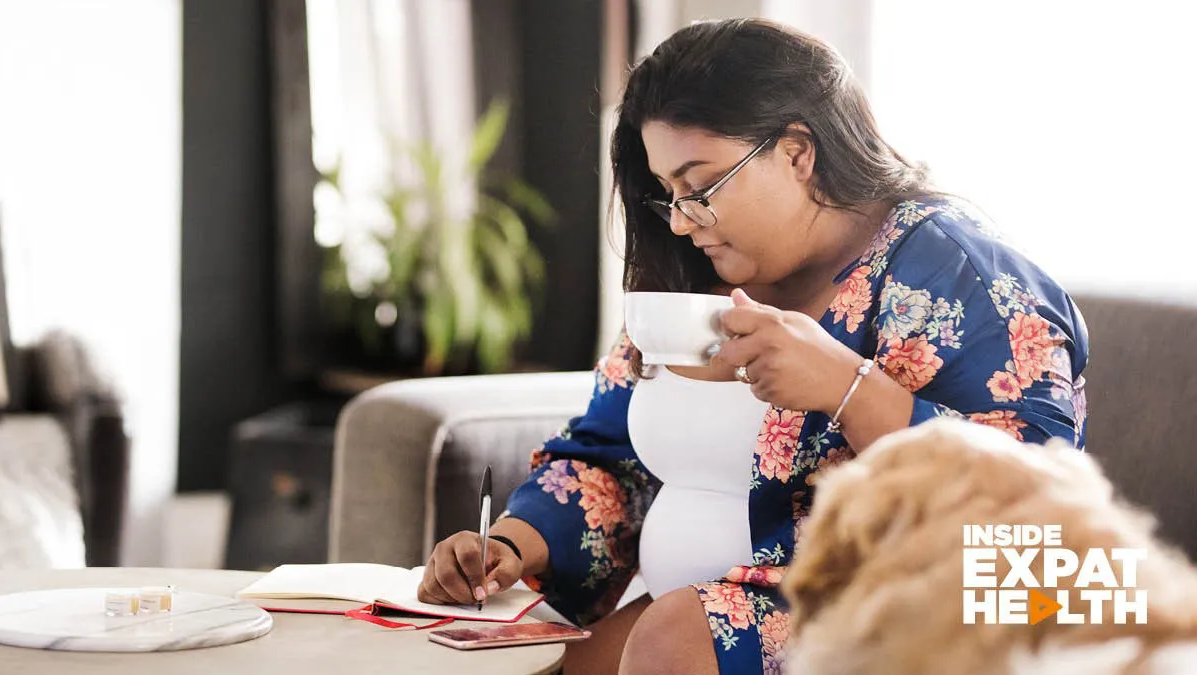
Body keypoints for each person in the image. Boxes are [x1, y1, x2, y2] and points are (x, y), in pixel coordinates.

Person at [416, 18, 1088, 675]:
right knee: (552, 656)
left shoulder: (963, 277)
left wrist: (848, 386)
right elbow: (610, 457)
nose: (680, 221)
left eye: (699, 186)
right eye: (668, 195)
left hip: (911, 612)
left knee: (671, 642)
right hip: (705, 610)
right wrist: (507, 543)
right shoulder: (693, 287)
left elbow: (1032, 521)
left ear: (798, 152)